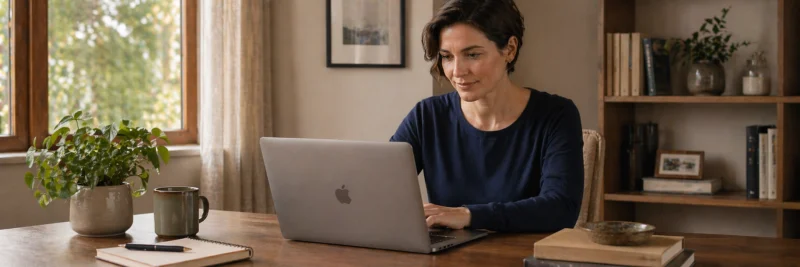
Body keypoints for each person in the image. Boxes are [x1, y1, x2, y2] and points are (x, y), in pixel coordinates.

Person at [389, 0, 584, 233]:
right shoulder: (426, 116)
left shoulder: (557, 115)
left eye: (472, 55)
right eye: (447, 57)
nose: (457, 71)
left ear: (509, 50)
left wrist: (469, 215)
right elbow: (381, 184)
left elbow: (561, 209)